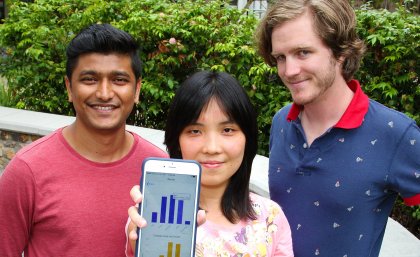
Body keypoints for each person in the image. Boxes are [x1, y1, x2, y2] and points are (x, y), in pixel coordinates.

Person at [255, 0, 420, 256]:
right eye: (280, 57)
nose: (289, 70)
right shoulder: (281, 122)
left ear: (341, 53)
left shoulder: (394, 133)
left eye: (303, 52)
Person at [0, 24, 167, 256]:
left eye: (119, 80)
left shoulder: (158, 167)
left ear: (137, 89)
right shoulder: (28, 171)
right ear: (69, 87)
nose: (105, 93)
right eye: (90, 79)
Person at [126, 71, 294, 257]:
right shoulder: (149, 218)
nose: (212, 148)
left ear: (248, 138)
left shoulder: (270, 218)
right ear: (177, 140)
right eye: (195, 131)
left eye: (228, 130)